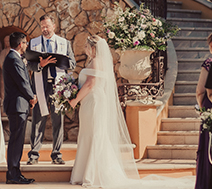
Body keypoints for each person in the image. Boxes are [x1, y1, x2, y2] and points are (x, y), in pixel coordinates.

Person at [69, 35, 195, 189]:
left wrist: (74, 100)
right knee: (93, 133)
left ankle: (92, 173)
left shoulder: (96, 62)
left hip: (93, 101)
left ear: (94, 48)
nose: (85, 49)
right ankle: (87, 171)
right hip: (91, 101)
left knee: (94, 134)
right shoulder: (95, 62)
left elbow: (90, 84)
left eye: (87, 47)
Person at [27, 14, 76, 165]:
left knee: (57, 120)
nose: (45, 29)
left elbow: (72, 64)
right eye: (42, 27)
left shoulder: (64, 43)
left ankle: (57, 154)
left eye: (47, 26)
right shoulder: (33, 43)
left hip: (57, 85)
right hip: (40, 85)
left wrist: (60, 63)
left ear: (54, 26)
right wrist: (40, 65)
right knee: (37, 120)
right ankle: (34, 155)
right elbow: (28, 64)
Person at [2, 31, 37, 185]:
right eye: (26, 42)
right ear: (20, 44)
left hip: (19, 105)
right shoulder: (13, 59)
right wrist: (32, 96)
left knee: (18, 141)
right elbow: (22, 82)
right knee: (16, 141)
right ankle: (12, 174)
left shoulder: (15, 58)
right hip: (17, 105)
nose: (27, 45)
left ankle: (16, 172)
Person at [194, 33, 212, 189]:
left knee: (208, 147)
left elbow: (200, 91)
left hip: (210, 108)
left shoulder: (209, 63)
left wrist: (202, 109)